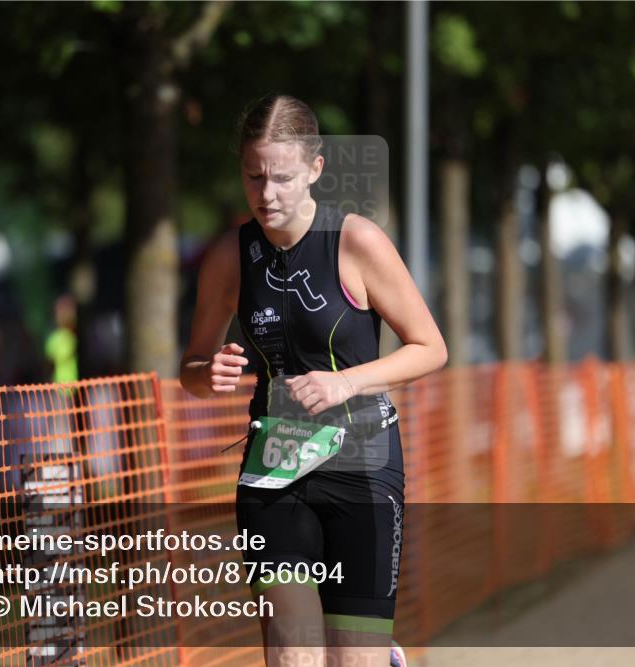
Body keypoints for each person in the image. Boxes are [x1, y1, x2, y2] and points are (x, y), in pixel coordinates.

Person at [179, 93, 446, 666]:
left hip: (363, 466)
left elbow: (431, 348)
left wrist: (345, 384)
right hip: (275, 466)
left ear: (316, 170)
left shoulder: (355, 241)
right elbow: (192, 371)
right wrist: (210, 372)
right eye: (253, 177)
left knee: (353, 658)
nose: (266, 193)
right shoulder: (230, 256)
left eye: (282, 177)